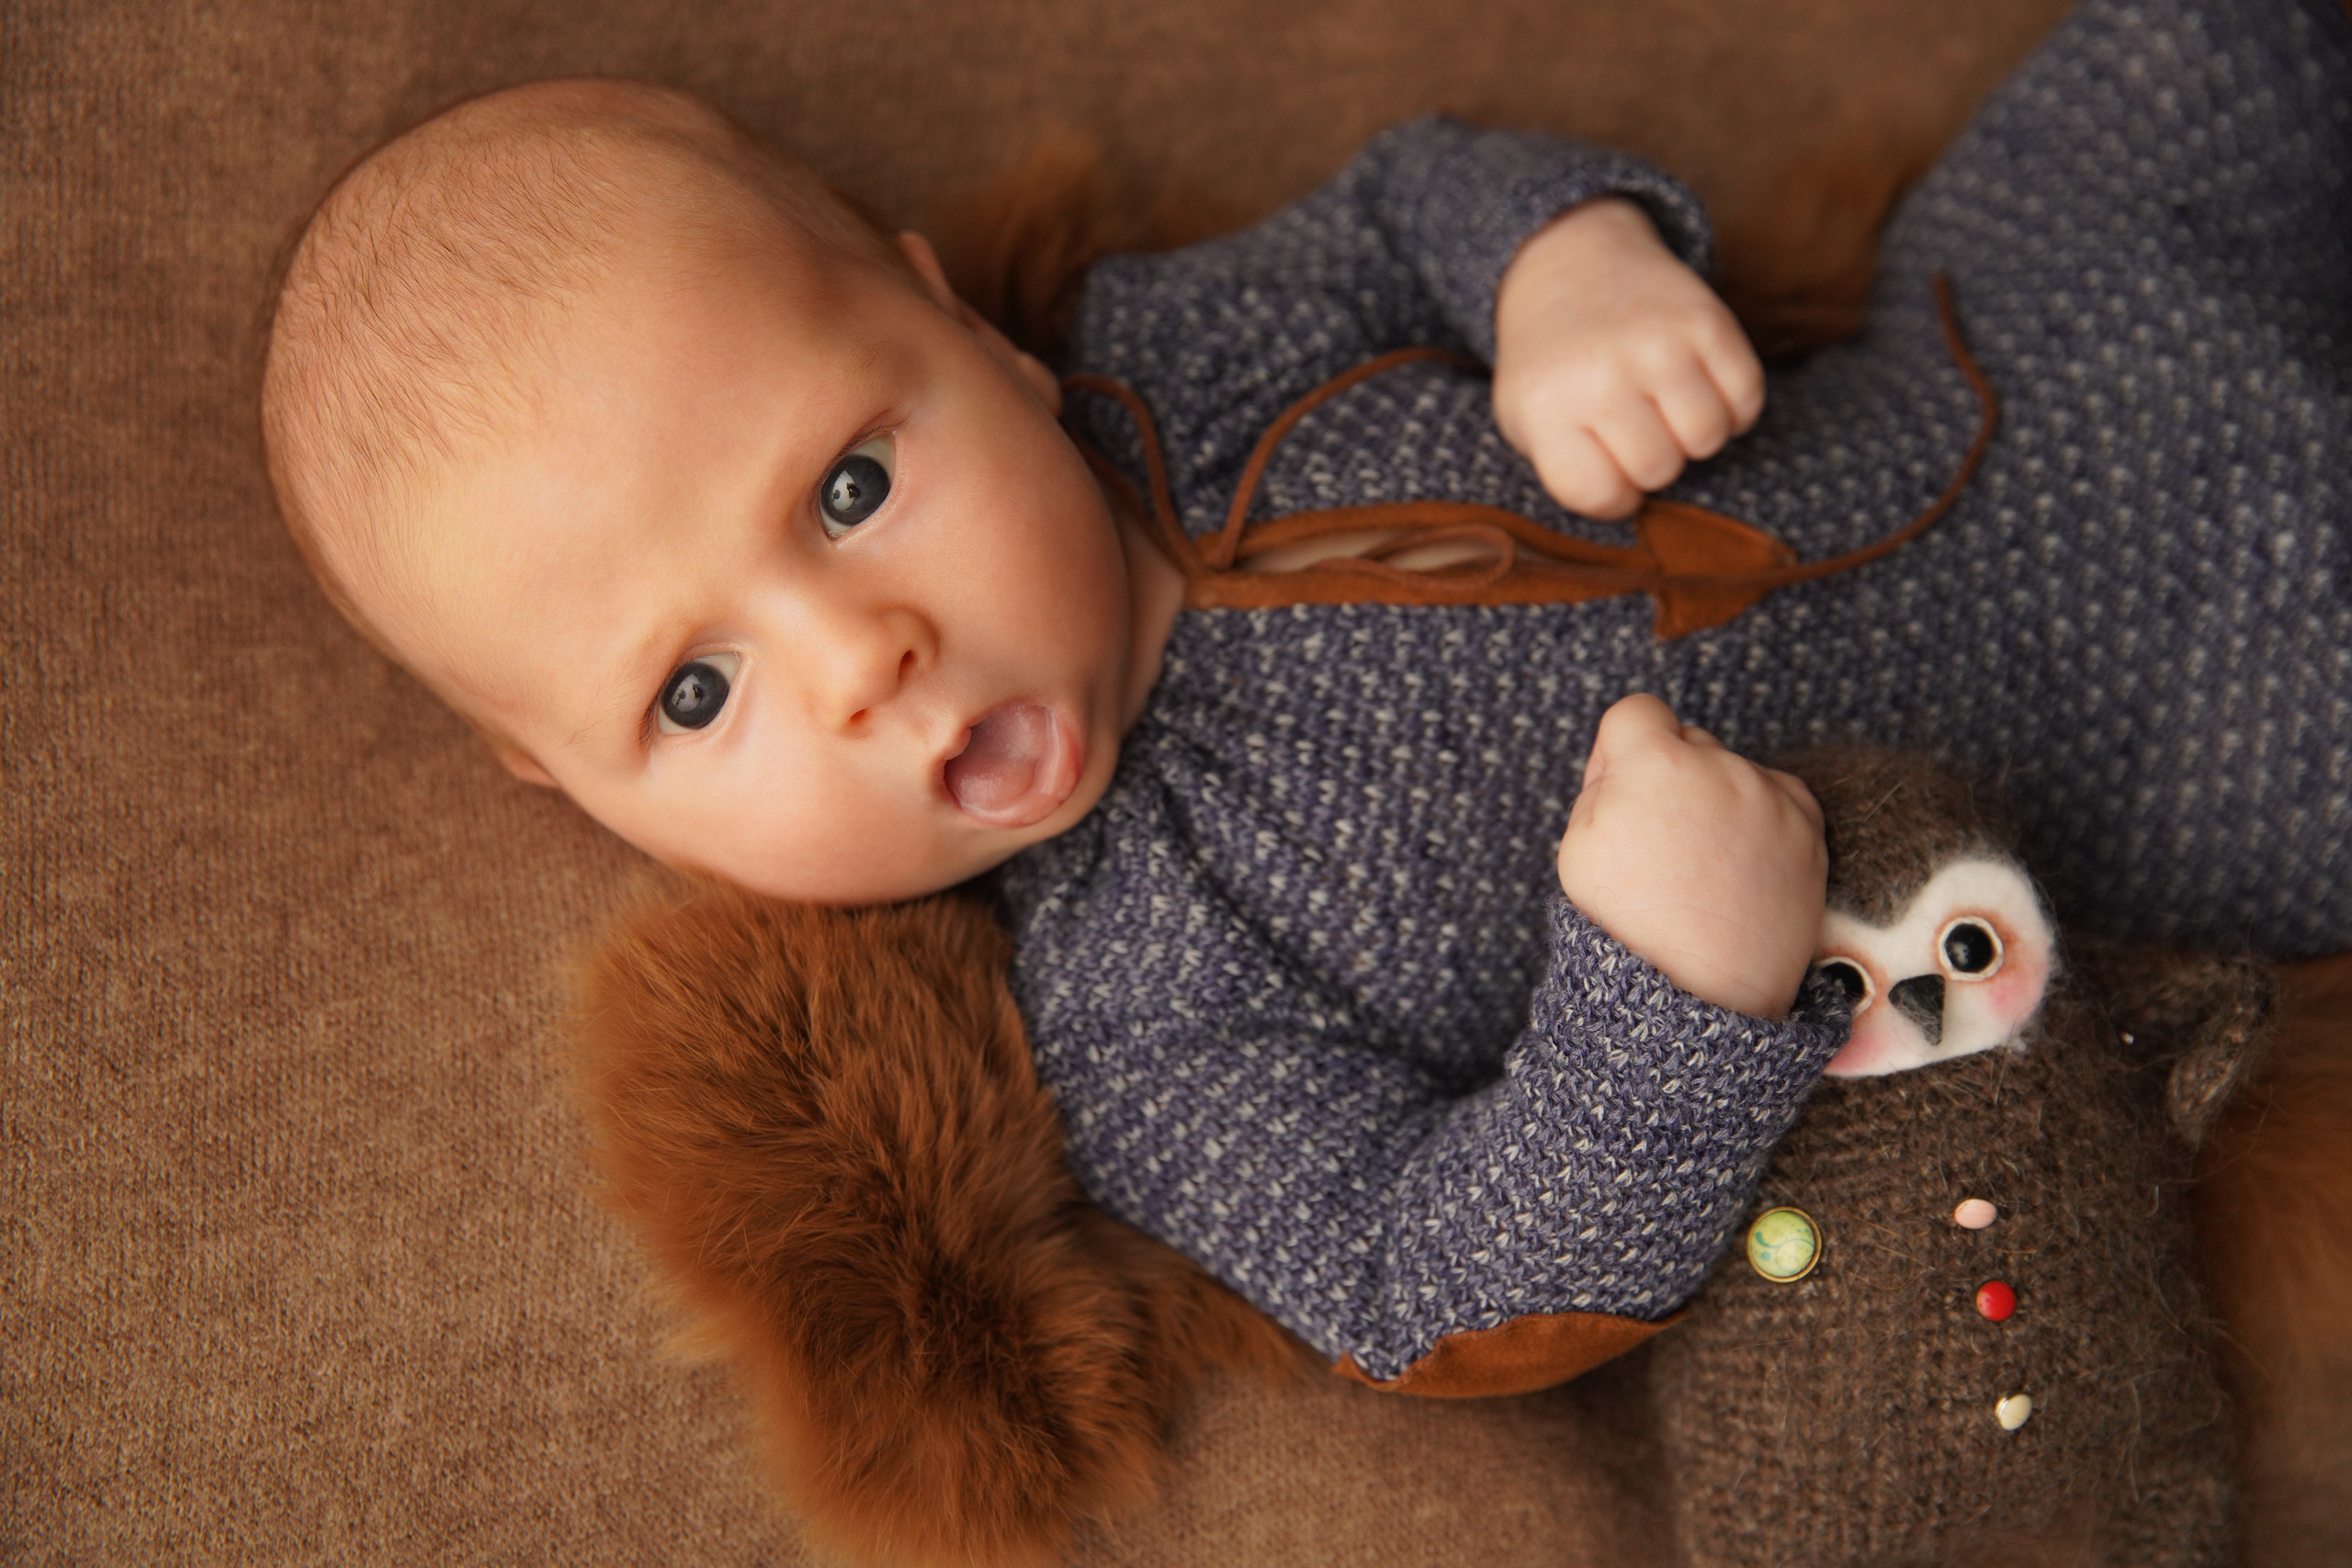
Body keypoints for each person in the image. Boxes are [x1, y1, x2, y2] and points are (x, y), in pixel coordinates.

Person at [261, 0, 2349, 1387]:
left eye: (847, 482)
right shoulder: (1142, 1016)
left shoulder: (1178, 346)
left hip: (2020, 302)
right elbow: (1418, 1278)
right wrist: (1664, 995)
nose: (859, 651)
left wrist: (1558, 272)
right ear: (581, 799)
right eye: (695, 693)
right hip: (2183, 722)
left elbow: (1403, 193)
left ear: (957, 327)